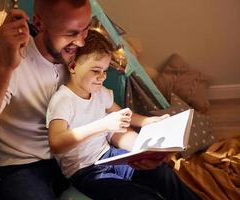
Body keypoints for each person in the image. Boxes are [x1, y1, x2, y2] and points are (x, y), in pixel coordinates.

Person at [0, 0, 92, 199]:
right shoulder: (6, 59)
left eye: (85, 30)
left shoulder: (83, 56)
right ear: (39, 24)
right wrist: (5, 66)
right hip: (21, 167)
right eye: (71, 33)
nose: (82, 41)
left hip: (71, 157)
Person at [46, 30, 201, 200]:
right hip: (84, 171)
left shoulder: (100, 93)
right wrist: (104, 125)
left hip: (108, 156)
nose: (102, 77)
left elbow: (124, 114)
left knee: (161, 173)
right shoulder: (63, 100)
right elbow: (56, 143)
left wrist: (147, 121)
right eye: (96, 70)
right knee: (141, 197)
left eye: (105, 71)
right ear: (73, 66)